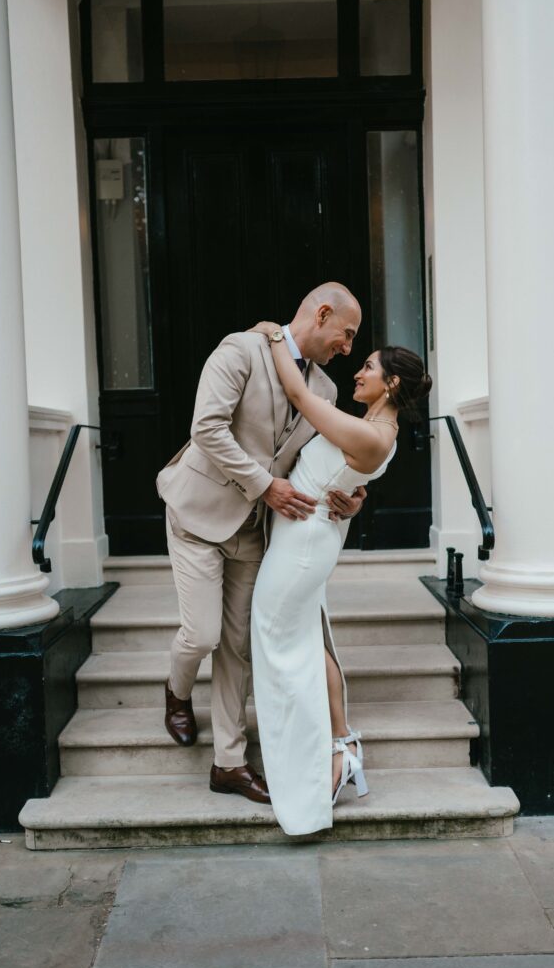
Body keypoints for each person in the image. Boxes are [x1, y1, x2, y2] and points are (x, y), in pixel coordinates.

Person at [155, 283, 365, 804]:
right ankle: (176, 691)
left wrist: (350, 498)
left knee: (238, 646)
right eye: (347, 333)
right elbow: (207, 428)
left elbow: (317, 464)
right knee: (201, 635)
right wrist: (264, 485)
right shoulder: (241, 349)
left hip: (255, 531)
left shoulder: (329, 393)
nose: (349, 348)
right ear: (321, 315)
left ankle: (228, 762)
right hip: (198, 515)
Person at [249, 321, 432, 835]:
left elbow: (297, 393)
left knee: (280, 647)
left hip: (303, 546)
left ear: (392, 384)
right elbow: (344, 474)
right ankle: (342, 744)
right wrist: (355, 498)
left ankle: (312, 773)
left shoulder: (374, 434)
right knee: (306, 639)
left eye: (369, 366)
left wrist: (273, 336)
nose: (358, 370)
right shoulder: (370, 429)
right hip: (308, 539)